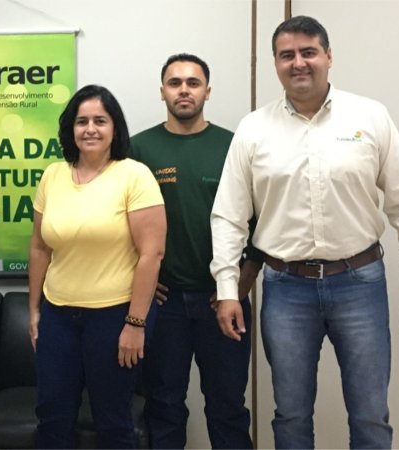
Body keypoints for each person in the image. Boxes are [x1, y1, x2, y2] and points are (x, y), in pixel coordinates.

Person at [211, 15, 399, 449]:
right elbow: (229, 216)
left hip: (359, 283)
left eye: (309, 52)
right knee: (290, 416)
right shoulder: (254, 129)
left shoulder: (370, 116)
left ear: (329, 56)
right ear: (275, 63)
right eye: (287, 55)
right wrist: (228, 288)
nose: (299, 63)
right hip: (286, 288)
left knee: (369, 415)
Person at [130, 53, 261, 449]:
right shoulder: (139, 148)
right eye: (175, 83)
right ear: (162, 91)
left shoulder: (233, 146)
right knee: (164, 406)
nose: (183, 90)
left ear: (207, 89)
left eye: (192, 82)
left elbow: (262, 225)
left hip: (222, 302)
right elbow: (122, 226)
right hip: (164, 305)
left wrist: (239, 286)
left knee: (227, 408)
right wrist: (143, 286)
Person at [28, 84, 166, 449]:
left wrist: (135, 324)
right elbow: (40, 246)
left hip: (116, 316)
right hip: (58, 315)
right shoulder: (53, 175)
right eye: (81, 121)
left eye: (99, 121)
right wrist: (34, 310)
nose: (90, 129)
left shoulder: (134, 176)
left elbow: (152, 254)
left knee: (113, 421)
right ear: (70, 129)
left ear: (114, 129)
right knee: (52, 415)